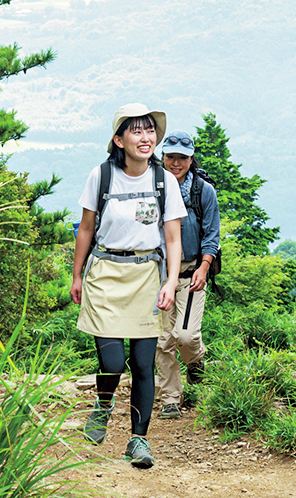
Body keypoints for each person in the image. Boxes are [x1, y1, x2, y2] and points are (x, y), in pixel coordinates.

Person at [71, 102, 186, 469]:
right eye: (136, 130)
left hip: (146, 276)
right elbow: (86, 229)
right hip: (105, 272)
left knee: (141, 364)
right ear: (119, 139)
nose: (145, 137)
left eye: (150, 130)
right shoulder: (101, 176)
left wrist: (170, 282)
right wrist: (77, 275)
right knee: (113, 360)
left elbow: (172, 237)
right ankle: (104, 404)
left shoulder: (163, 180)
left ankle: (138, 440)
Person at [154, 129, 220, 419]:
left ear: (191, 159)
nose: (175, 163)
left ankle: (196, 360)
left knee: (186, 336)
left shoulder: (203, 191)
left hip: (192, 271)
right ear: (163, 157)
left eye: (182, 158)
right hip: (159, 273)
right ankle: (170, 398)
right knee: (162, 339)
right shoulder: (154, 187)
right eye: (170, 157)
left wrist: (205, 268)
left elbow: (212, 236)